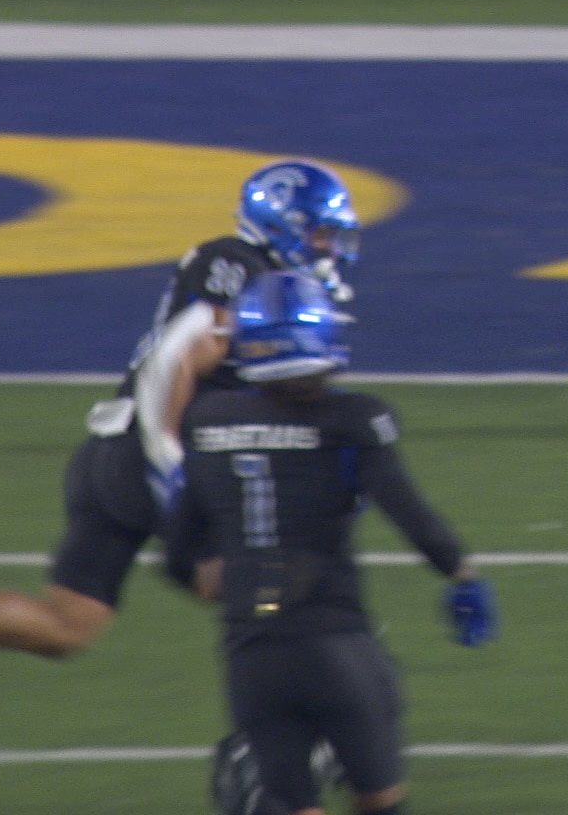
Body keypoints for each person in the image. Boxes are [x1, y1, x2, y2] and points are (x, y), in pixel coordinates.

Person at [0, 159, 364, 659]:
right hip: (152, 453)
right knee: (264, 589)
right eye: (320, 234)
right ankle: (280, 728)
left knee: (65, 627)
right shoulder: (236, 263)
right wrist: (168, 465)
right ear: (282, 224)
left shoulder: (266, 280)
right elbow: (172, 359)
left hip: (112, 456)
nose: (329, 248)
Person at [164, 270, 498, 815]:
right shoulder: (355, 419)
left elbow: (182, 558)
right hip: (335, 647)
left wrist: (247, 583)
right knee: (381, 799)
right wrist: (462, 574)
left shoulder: (207, 422)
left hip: (251, 657)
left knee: (290, 801)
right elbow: (411, 515)